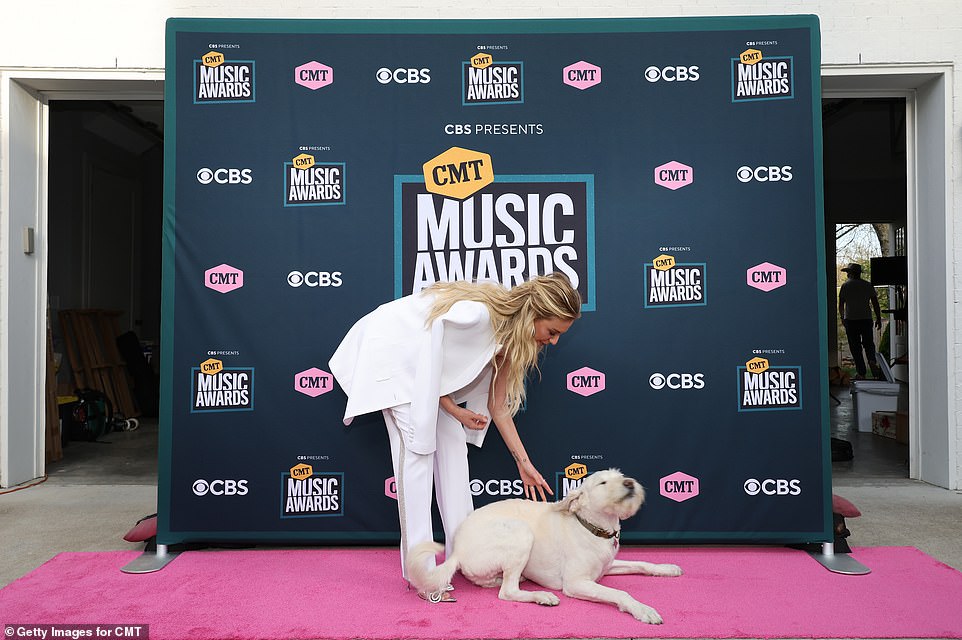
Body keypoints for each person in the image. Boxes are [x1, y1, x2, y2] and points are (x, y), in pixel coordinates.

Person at [328, 273, 581, 602]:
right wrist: (449, 406)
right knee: (417, 456)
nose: (555, 341)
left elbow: (498, 407)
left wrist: (524, 463)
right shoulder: (476, 316)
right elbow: (427, 349)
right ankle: (422, 576)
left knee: (452, 454)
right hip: (391, 356)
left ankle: (469, 558)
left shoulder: (511, 336)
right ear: (535, 313)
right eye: (553, 331)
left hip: (421, 376)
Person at [838, 262, 882, 380]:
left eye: (848, 272)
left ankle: (861, 372)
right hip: (866, 319)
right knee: (868, 343)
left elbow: (841, 305)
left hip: (851, 320)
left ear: (850, 273)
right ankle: (872, 360)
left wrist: (842, 317)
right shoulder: (867, 285)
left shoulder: (845, 286)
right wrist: (878, 318)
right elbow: (875, 303)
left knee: (855, 347)